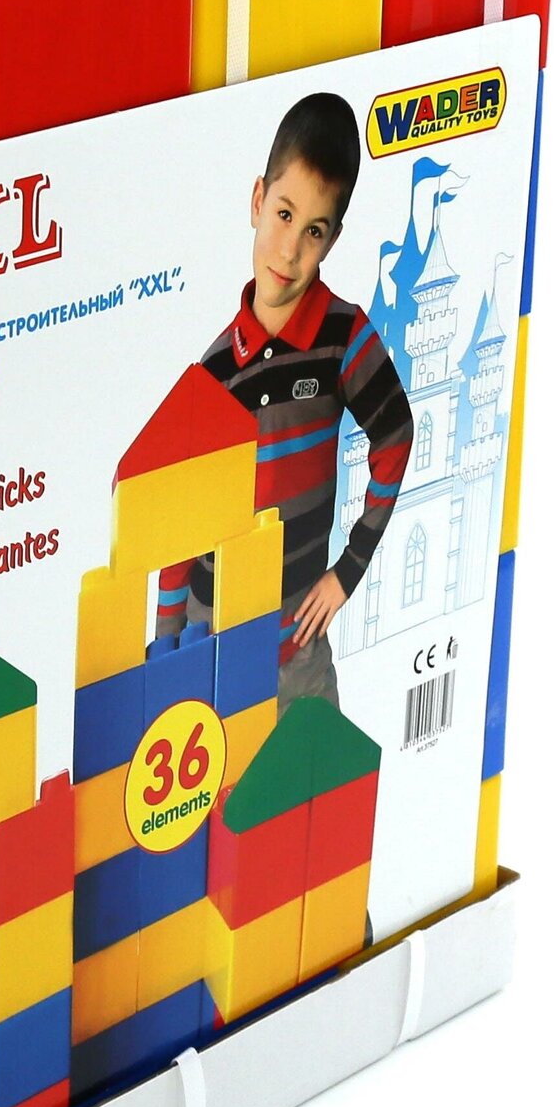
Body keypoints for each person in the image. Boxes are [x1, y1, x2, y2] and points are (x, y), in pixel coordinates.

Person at [158, 92, 413, 709]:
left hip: (298, 647)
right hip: (212, 648)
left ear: (333, 239)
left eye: (314, 231)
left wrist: (348, 571)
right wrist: (165, 650)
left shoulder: (343, 337)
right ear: (257, 201)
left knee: (322, 768)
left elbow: (395, 436)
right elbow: (179, 522)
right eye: (283, 214)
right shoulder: (213, 371)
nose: (290, 249)